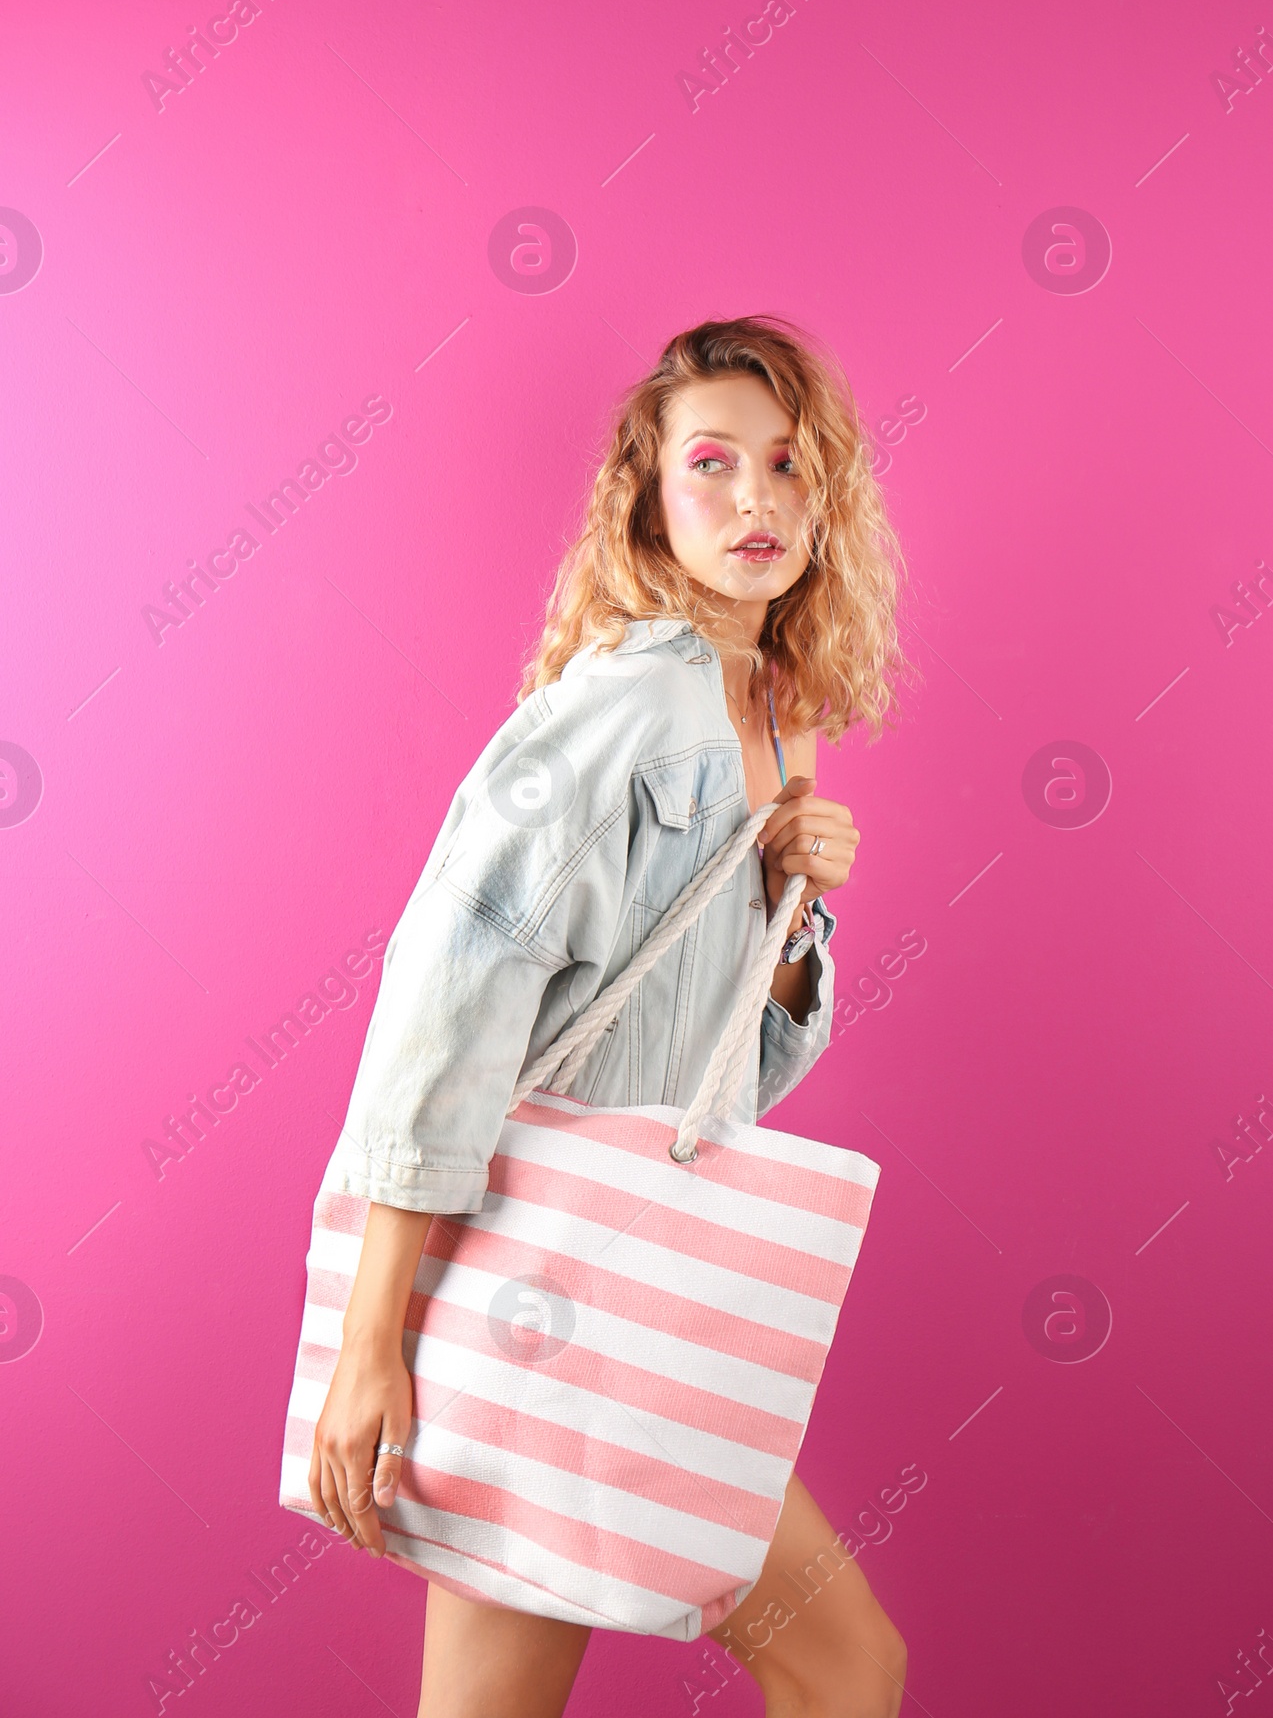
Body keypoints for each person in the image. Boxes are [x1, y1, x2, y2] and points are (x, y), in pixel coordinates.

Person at [305, 315, 912, 1717]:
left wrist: (790, 919)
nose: (755, 501)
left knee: (847, 1666)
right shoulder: (620, 711)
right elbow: (443, 1002)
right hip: (530, 1290)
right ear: (647, 497)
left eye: (788, 466)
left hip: (634, 1289)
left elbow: (730, 1077)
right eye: (711, 465)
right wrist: (370, 1342)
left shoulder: (772, 712)